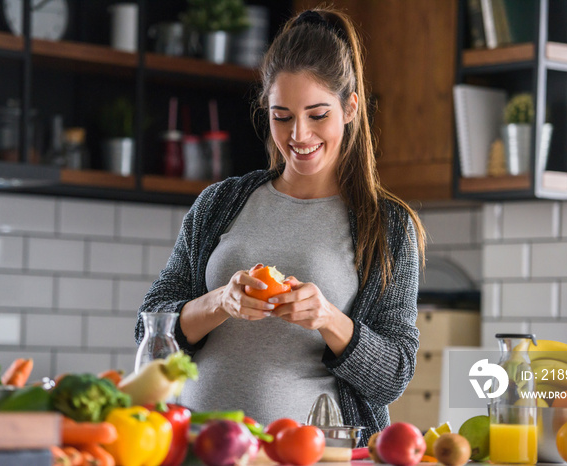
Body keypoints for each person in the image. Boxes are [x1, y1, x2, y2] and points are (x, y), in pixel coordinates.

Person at [135, 7, 426, 443]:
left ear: (349, 108)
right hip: (198, 448)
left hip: (318, 455)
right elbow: (148, 332)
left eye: (317, 114)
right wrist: (221, 302)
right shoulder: (220, 204)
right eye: (283, 116)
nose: (299, 135)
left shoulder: (386, 226)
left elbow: (394, 376)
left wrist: (328, 318)